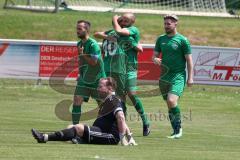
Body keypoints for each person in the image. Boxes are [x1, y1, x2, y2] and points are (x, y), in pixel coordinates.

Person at [31, 77, 137, 146]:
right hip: (100, 131)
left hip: (109, 136)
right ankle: (79, 140)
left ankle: (44, 137)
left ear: (109, 88)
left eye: (100, 87)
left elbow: (121, 118)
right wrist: (130, 137)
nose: (97, 89)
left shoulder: (113, 100)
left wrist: (123, 139)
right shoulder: (107, 101)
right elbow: (122, 121)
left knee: (77, 128)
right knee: (71, 127)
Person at [152, 14, 193, 139]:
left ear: (175, 24)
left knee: (171, 100)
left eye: (169, 23)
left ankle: (178, 129)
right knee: (170, 104)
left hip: (178, 76)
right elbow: (154, 56)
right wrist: (155, 59)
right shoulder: (161, 39)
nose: (166, 26)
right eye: (165, 23)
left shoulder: (182, 40)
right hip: (164, 77)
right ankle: (175, 131)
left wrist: (190, 78)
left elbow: (189, 60)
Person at [112, 13, 150, 136]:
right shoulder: (118, 33)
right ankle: (123, 127)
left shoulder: (132, 30)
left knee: (132, 94)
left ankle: (145, 121)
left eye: (126, 20)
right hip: (119, 68)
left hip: (130, 68)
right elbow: (100, 34)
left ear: (132, 23)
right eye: (122, 19)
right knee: (120, 97)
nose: (123, 21)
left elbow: (118, 29)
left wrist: (114, 19)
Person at [72, 20, 106, 125]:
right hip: (84, 79)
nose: (77, 31)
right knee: (77, 100)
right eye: (77, 28)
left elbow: (93, 62)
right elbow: (81, 61)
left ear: (86, 30)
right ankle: (75, 128)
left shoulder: (93, 44)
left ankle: (104, 127)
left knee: (103, 105)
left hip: (97, 79)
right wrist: (80, 73)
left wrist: (82, 54)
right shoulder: (79, 43)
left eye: (79, 29)